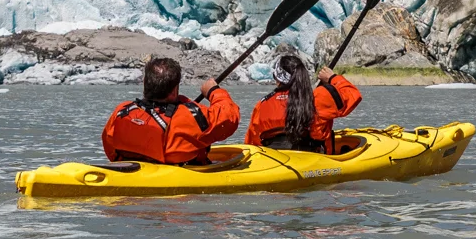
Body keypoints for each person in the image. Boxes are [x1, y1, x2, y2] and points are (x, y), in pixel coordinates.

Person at [102, 56, 240, 165]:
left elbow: (109, 146)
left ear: (145, 83)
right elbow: (230, 117)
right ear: (174, 91)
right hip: (179, 179)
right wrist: (213, 91)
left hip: (132, 172)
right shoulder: (192, 116)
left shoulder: (123, 111)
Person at [245, 48, 362, 153]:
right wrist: (332, 78)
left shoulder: (262, 104)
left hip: (274, 161)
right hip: (314, 158)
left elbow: (251, 144)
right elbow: (353, 95)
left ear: (277, 78)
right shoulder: (319, 97)